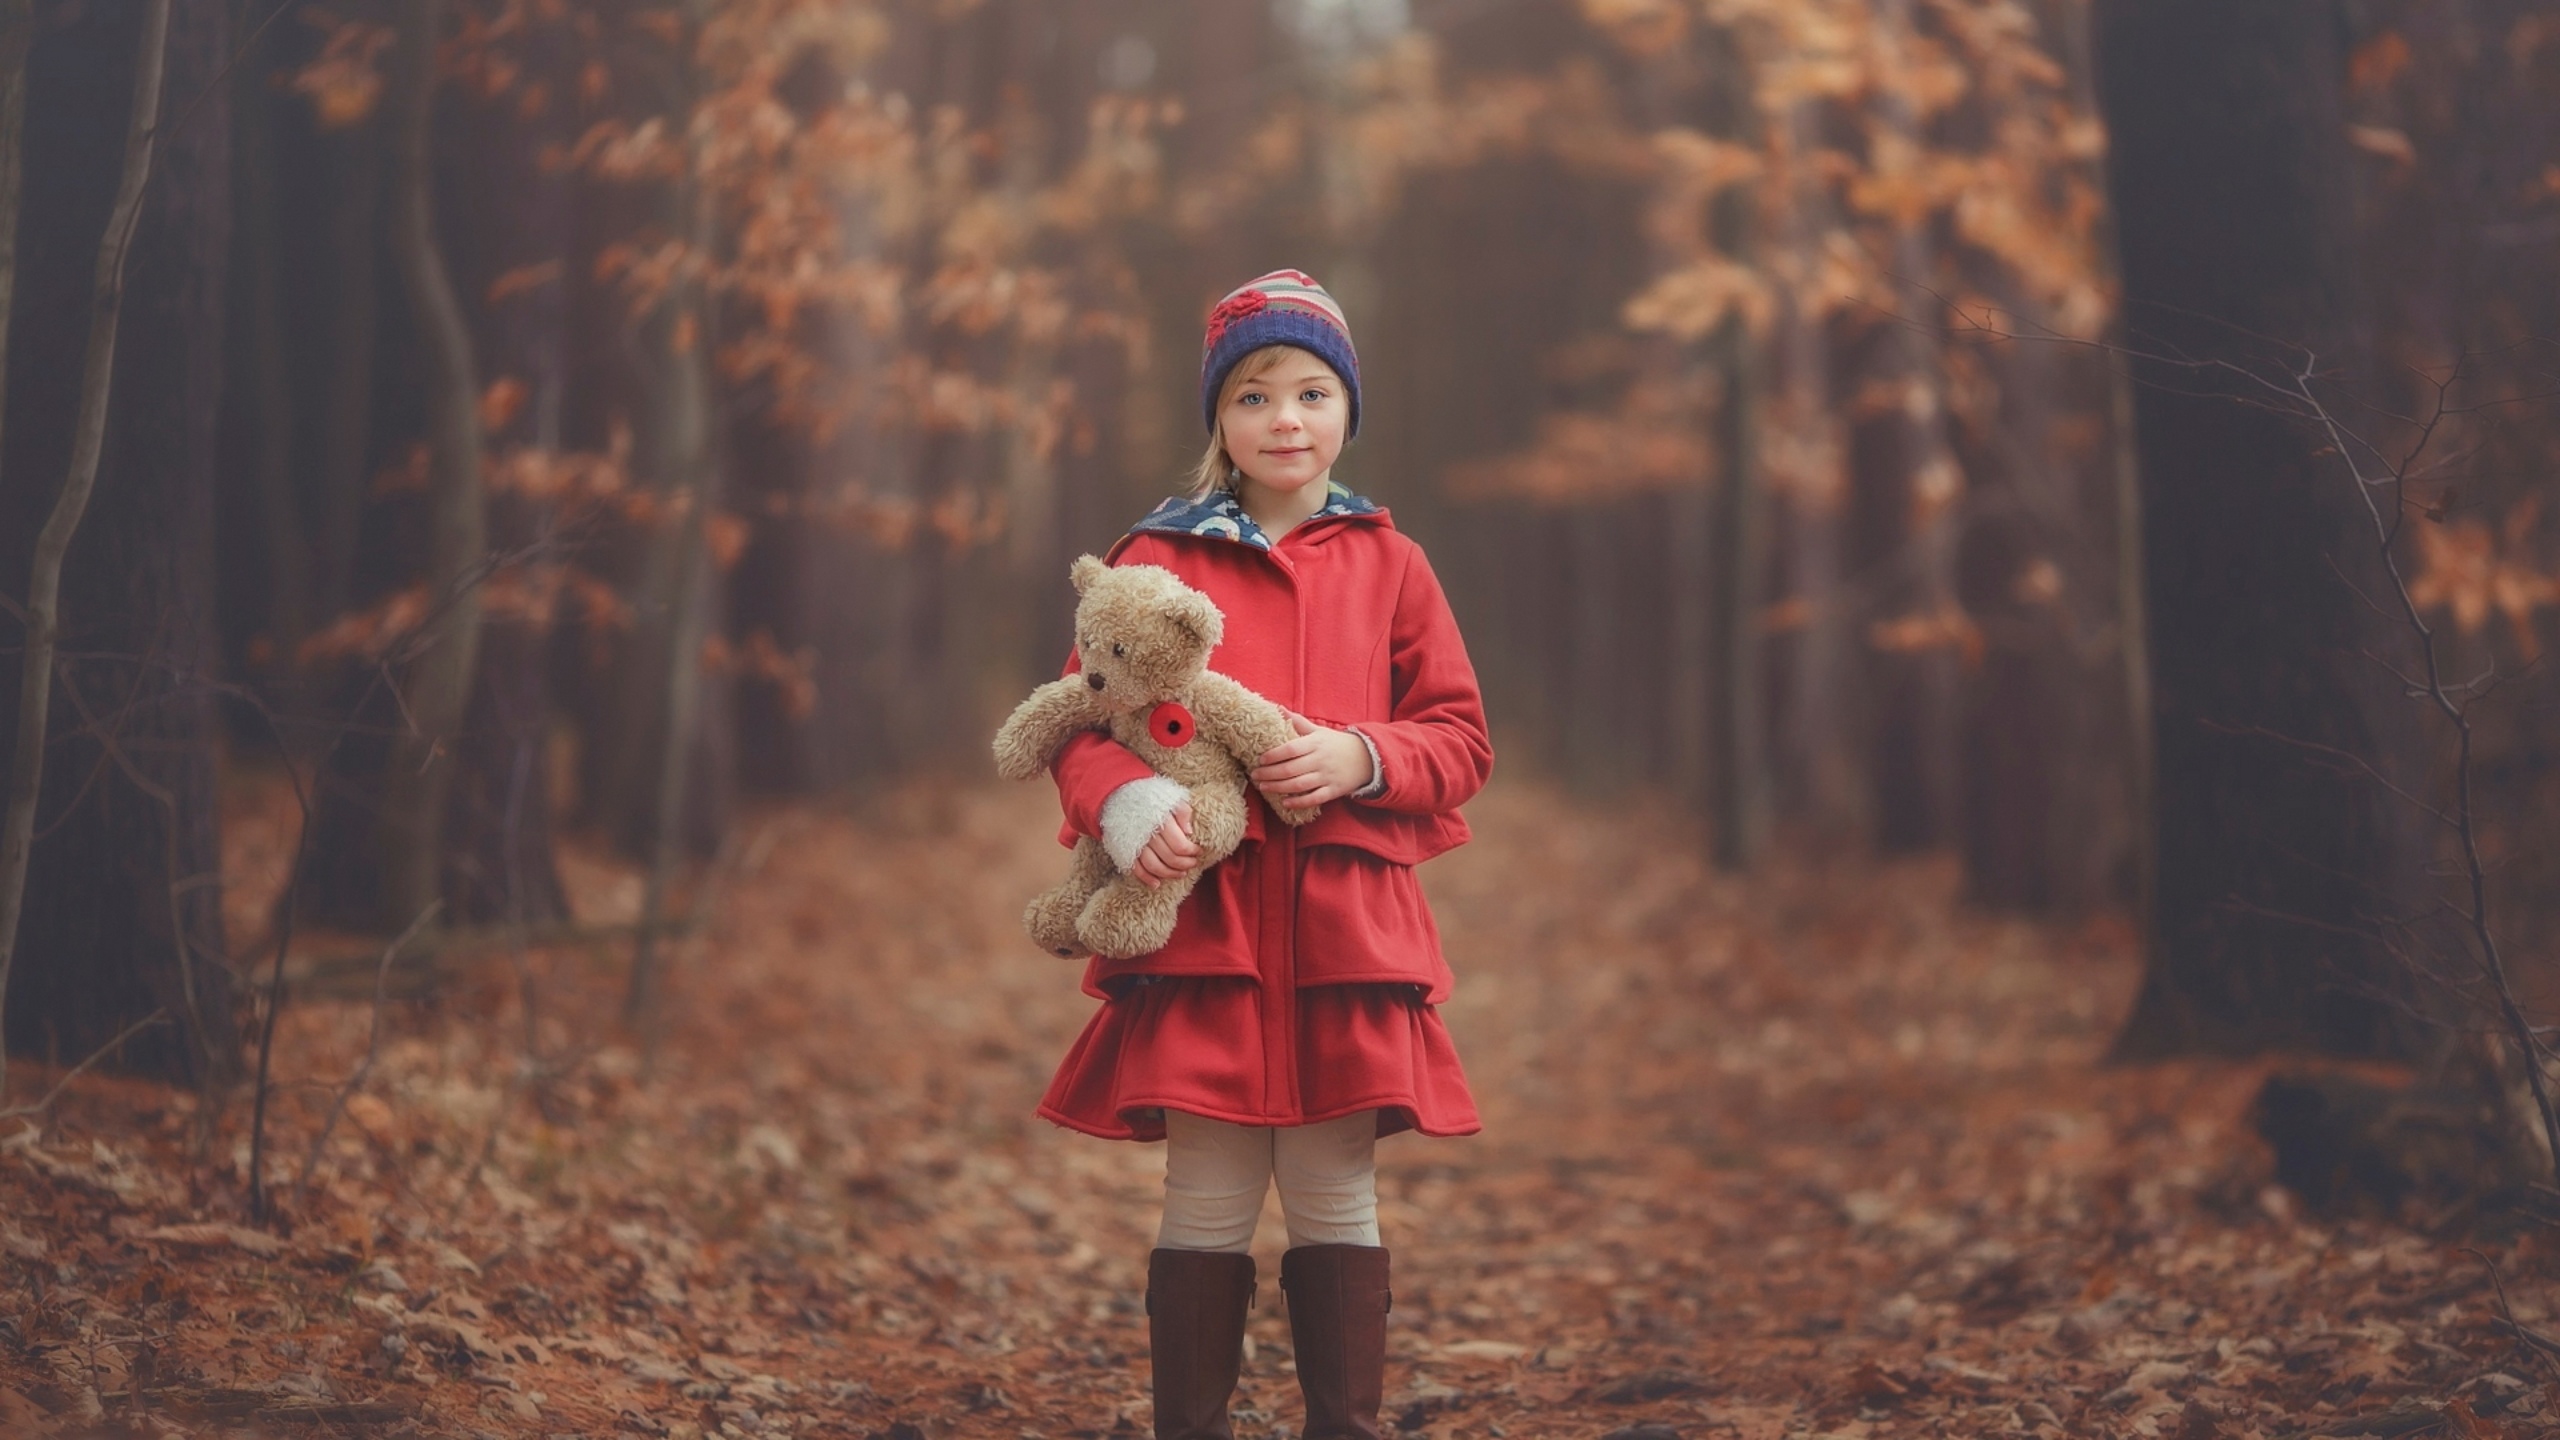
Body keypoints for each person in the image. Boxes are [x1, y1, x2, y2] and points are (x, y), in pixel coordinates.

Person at [1035, 269, 1493, 1440]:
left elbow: (1457, 740)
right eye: (1252, 396)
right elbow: (1079, 721)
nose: (1284, 419)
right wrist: (1127, 801)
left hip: (1346, 930)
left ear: (1346, 411)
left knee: (1337, 1190)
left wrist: (1360, 758)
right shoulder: (1154, 553)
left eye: (1309, 392)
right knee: (1209, 1192)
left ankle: (1340, 1424)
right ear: (1218, 422)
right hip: (1204, 930)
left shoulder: (1394, 562)